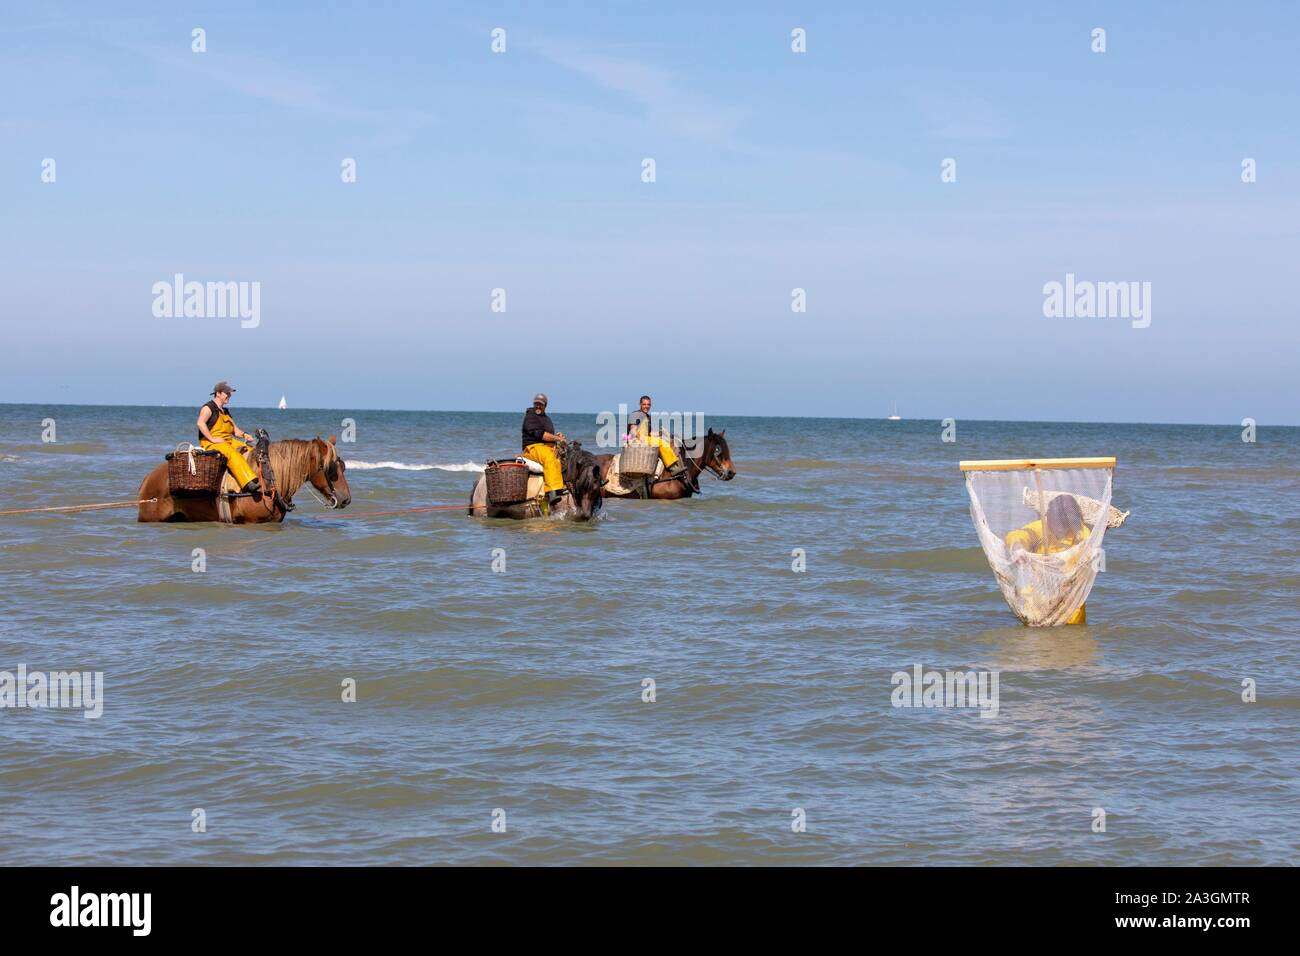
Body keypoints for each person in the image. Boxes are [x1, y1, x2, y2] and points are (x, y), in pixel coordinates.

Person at [1005, 494, 1091, 624]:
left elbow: (1088, 558)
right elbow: (1017, 535)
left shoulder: (1081, 533)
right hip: (1037, 603)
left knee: (1073, 638)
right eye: (1053, 521)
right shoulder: (1040, 527)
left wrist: (1063, 561)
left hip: (1070, 604)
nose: (1057, 527)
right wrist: (1018, 548)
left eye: (1061, 524)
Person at [197, 381, 260, 494]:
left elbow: (235, 430)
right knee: (232, 454)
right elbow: (200, 423)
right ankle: (248, 482)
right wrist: (211, 438)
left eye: (230, 393)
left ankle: (259, 476)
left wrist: (244, 434)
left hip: (228, 440)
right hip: (211, 442)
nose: (229, 396)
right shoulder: (208, 408)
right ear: (218, 393)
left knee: (250, 450)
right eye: (227, 393)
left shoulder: (225, 411)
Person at [628, 395, 691, 485]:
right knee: (661, 443)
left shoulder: (647, 417)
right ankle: (673, 469)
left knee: (666, 441)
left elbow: (649, 434)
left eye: (648, 404)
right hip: (638, 439)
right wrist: (633, 439)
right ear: (640, 404)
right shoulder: (636, 415)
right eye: (644, 404)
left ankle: (672, 464)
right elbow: (633, 429)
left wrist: (662, 433)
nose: (646, 406)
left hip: (645, 438)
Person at [521, 393, 565, 507]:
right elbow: (541, 435)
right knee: (549, 457)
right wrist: (557, 438)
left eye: (541, 404)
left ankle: (564, 486)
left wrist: (557, 436)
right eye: (536, 404)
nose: (538, 407)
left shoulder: (547, 419)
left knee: (564, 456)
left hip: (546, 447)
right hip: (532, 447)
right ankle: (552, 492)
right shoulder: (530, 417)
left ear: (545, 406)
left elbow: (549, 436)